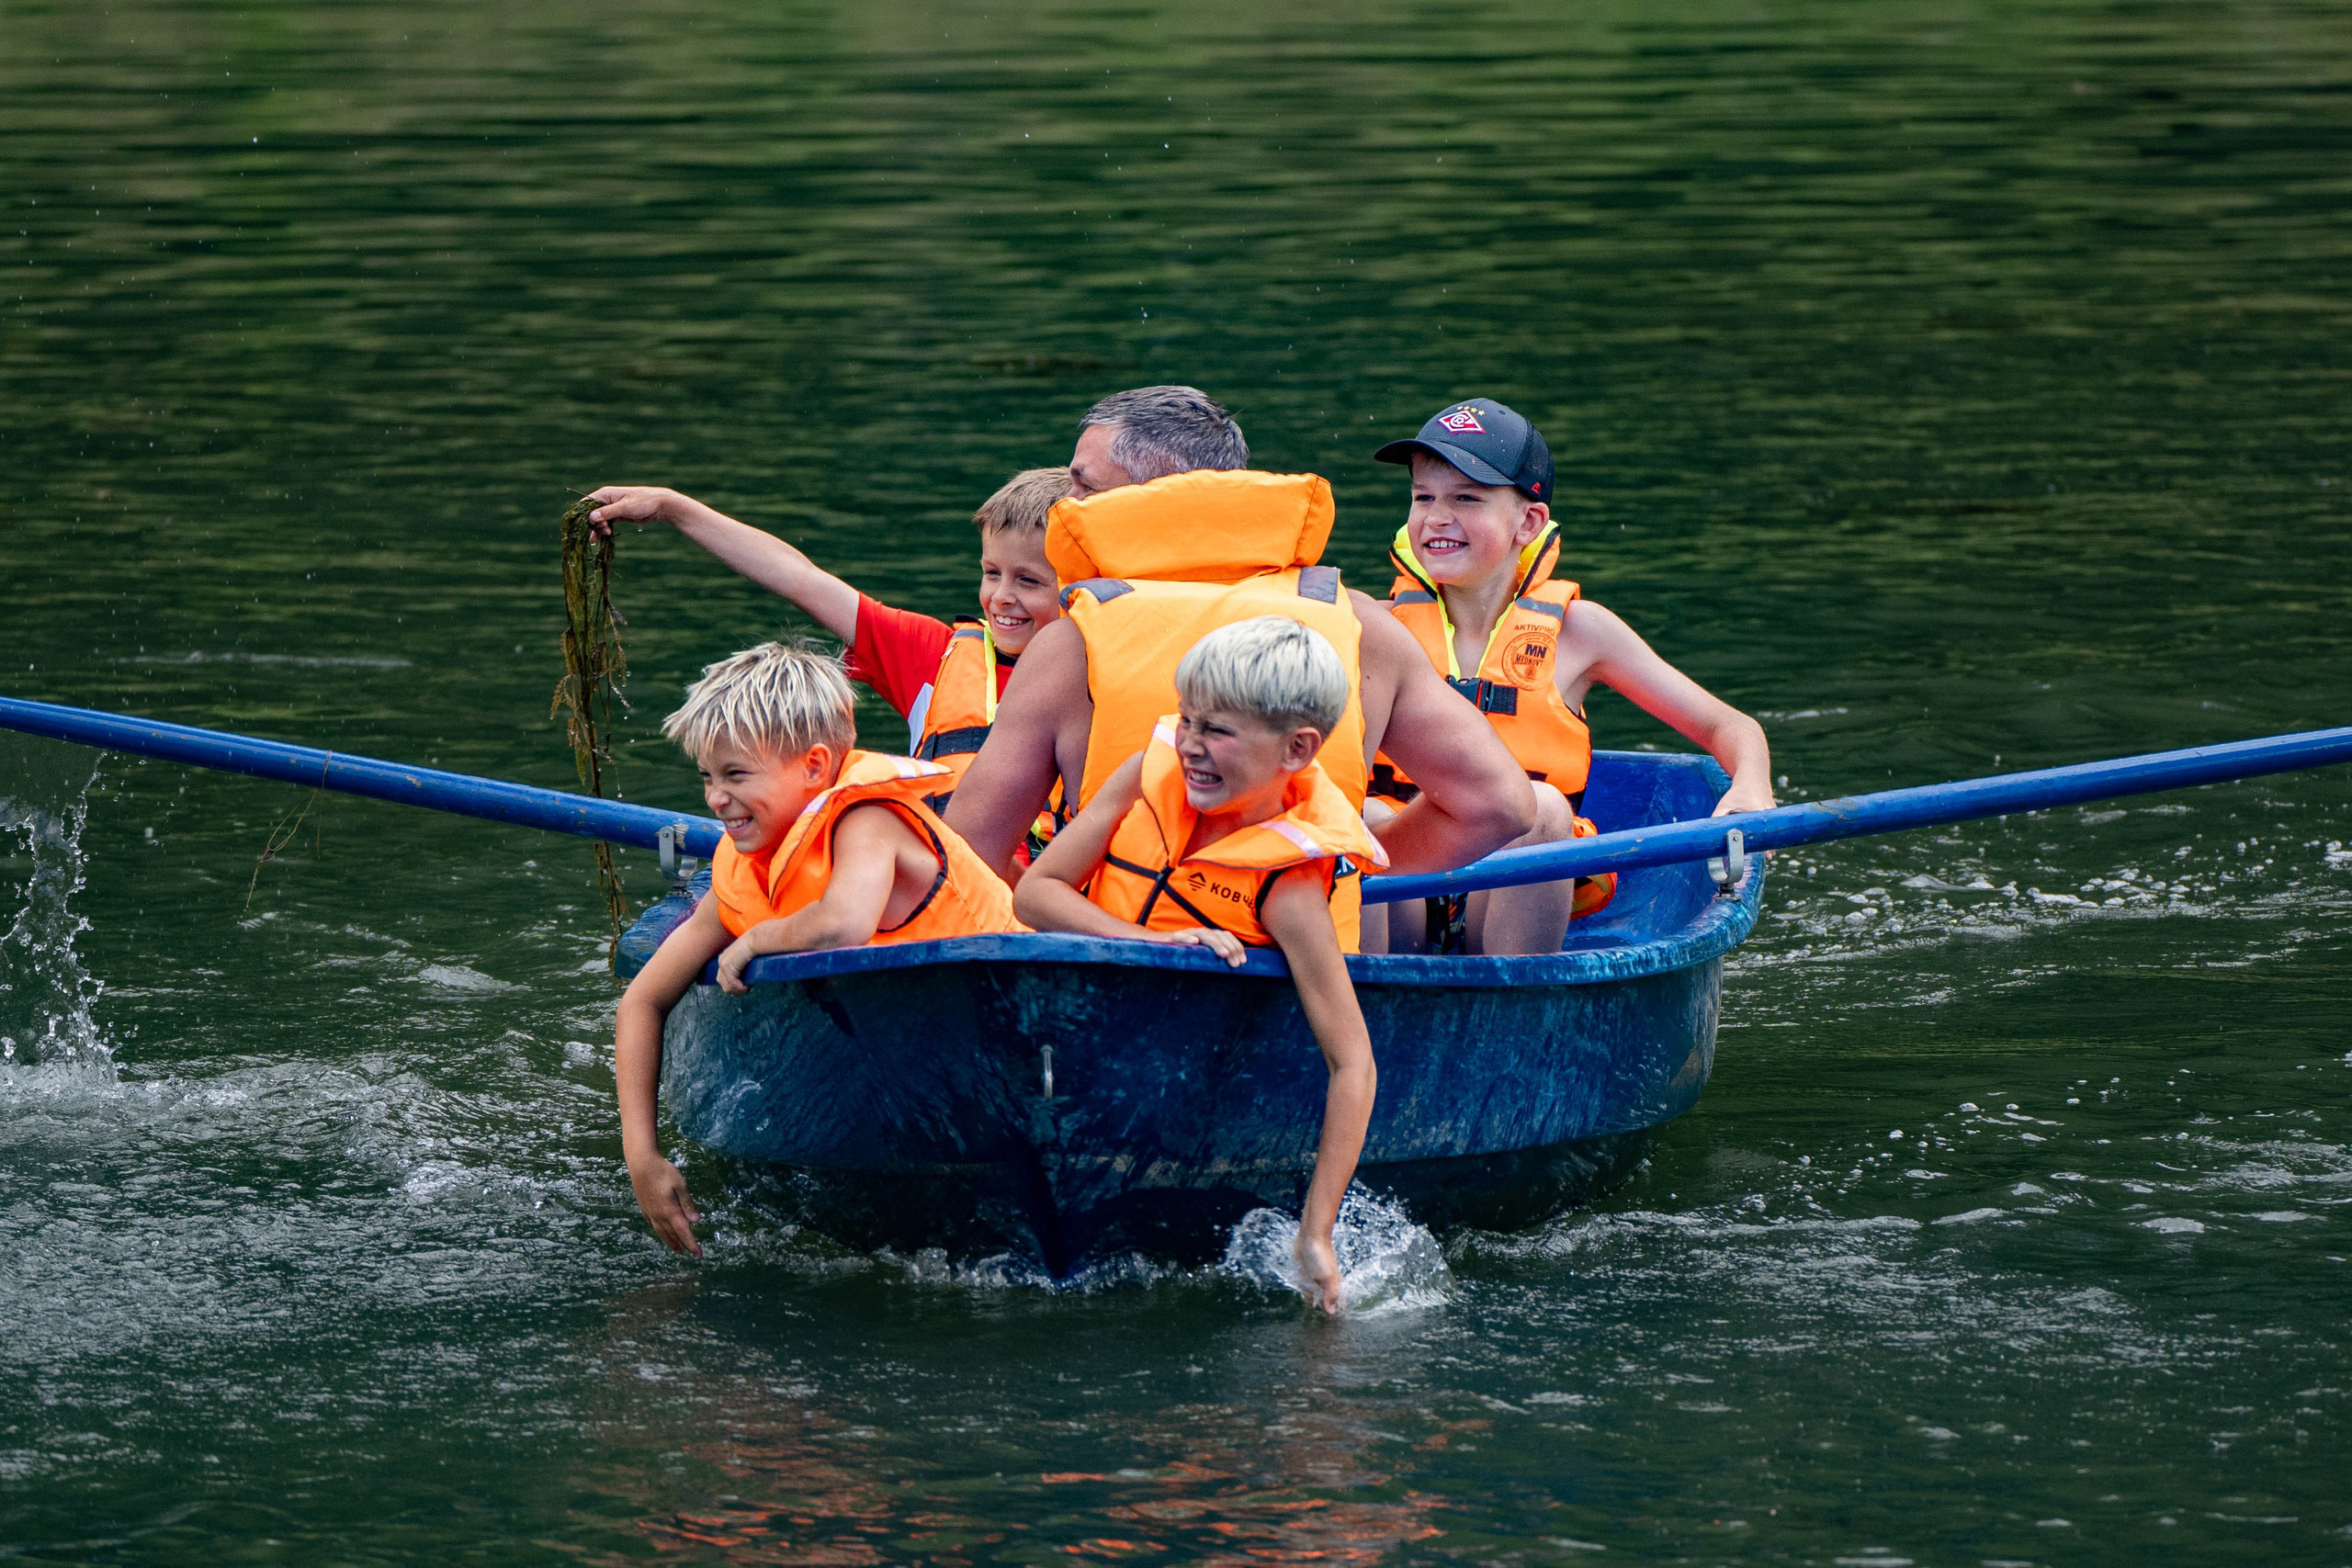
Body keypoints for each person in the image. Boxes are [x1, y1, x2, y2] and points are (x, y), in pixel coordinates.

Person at [947, 387, 1538, 930]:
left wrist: (1049, 905)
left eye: (1084, 488)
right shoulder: (1360, 624)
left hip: (1132, 969)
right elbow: (1500, 806)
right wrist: (1340, 875)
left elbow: (966, 854)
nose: (1062, 508)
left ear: (1158, 495)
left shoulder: (1070, 644)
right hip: (1304, 969)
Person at [1014, 617, 1383, 1313]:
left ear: (1297, 748)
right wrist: (1143, 940)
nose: (1188, 745)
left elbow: (1354, 1063)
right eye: (1186, 719)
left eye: (1217, 730)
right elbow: (1034, 894)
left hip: (1180, 1097)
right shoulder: (1146, 774)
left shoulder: (1289, 890)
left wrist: (1316, 1233)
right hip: (1078, 1047)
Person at [613, 641, 1022, 1256]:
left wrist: (756, 937)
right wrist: (642, 1156)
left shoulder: (869, 819)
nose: (715, 799)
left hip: (1008, 1028)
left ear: (814, 766)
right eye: (707, 776)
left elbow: (843, 924)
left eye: (736, 775)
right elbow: (641, 1000)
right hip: (915, 1069)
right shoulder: (748, 868)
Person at [1363, 397, 1774, 955]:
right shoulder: (1373, 627)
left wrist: (1751, 785)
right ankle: (1357, 1005)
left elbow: (1731, 727)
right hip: (1400, 888)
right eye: (1422, 497)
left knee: (1545, 808)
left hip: (1508, 891)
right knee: (1358, 811)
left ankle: (1518, 1008)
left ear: (1528, 522)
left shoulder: (1583, 633)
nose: (1436, 517)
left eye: (1467, 498)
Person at [583, 468, 1069, 814]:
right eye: (990, 573)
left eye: (1028, 581)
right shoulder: (932, 654)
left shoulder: (1113, 667)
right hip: (943, 885)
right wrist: (675, 508)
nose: (1001, 597)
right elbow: (798, 577)